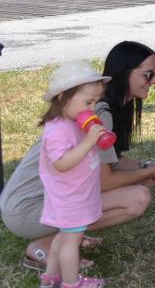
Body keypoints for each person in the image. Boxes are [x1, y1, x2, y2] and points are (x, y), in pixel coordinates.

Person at [1, 41, 155, 274]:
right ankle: (46, 246)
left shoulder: (106, 104)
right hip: (28, 209)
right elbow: (105, 181)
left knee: (142, 182)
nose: (154, 81)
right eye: (148, 75)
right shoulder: (100, 111)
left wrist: (149, 167)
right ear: (124, 73)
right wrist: (152, 171)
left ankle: (68, 236)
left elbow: (113, 160)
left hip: (33, 202)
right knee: (137, 197)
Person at [36, 61, 112, 288]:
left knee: (63, 237)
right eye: (88, 102)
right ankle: (71, 282)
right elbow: (60, 163)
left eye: (96, 101)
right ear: (62, 98)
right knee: (72, 241)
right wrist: (89, 141)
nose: (92, 107)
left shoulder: (74, 121)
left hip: (76, 193)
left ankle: (50, 276)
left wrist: (95, 138)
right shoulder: (57, 129)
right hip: (69, 197)